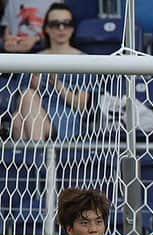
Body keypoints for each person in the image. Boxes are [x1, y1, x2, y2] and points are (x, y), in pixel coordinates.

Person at [11, 3, 93, 141]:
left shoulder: (84, 60)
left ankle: (36, 158)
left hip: (65, 121)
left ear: (73, 28)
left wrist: (56, 83)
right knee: (18, 116)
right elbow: (20, 101)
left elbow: (81, 106)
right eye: (55, 24)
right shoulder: (34, 59)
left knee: (22, 111)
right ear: (47, 29)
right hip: (35, 115)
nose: (61, 28)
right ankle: (41, 157)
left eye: (66, 23)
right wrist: (35, 86)